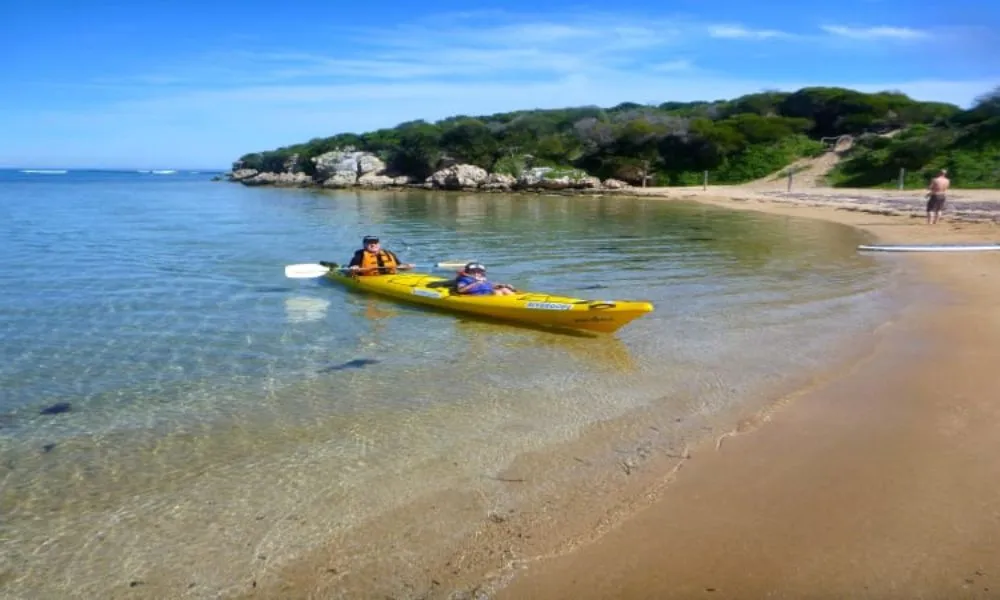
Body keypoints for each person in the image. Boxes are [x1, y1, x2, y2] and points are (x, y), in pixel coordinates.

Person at [347, 235, 414, 275]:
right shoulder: (360, 255)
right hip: (368, 278)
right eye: (369, 243)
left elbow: (399, 266)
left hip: (389, 277)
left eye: (376, 243)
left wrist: (407, 266)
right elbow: (351, 269)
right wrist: (354, 268)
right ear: (364, 245)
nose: (373, 245)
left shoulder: (389, 253)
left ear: (379, 244)